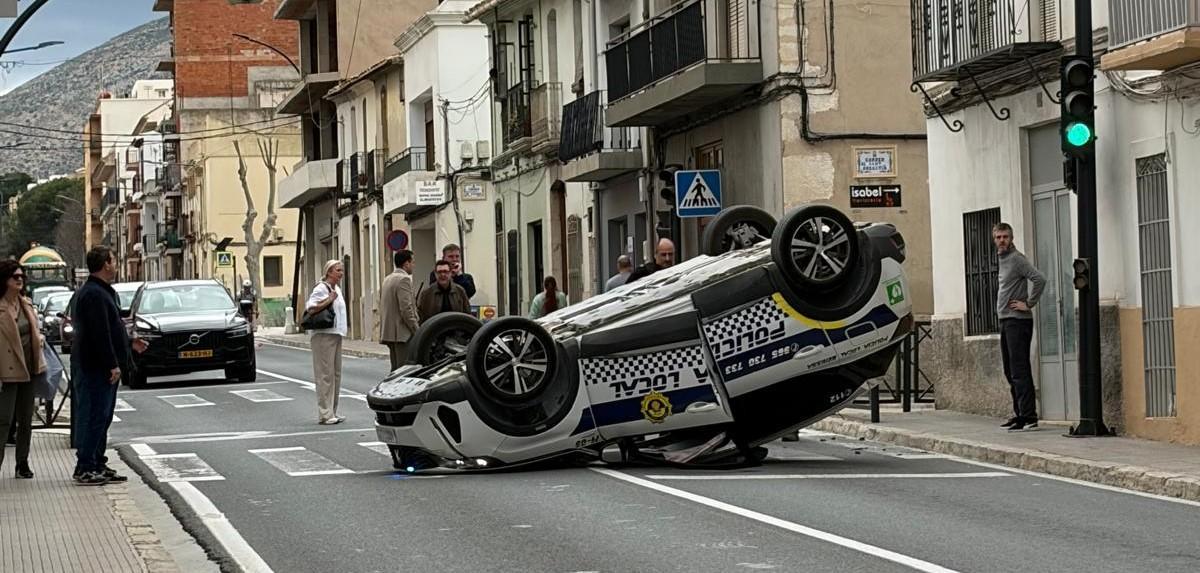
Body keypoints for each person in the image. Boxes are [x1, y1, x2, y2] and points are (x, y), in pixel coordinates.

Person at [72, 246, 148, 485]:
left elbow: (110, 328)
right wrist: (112, 365)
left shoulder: (101, 292)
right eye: (113, 261)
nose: (115, 265)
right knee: (96, 415)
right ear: (106, 264)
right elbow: (99, 333)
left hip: (100, 366)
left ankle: (97, 462)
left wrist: (128, 342)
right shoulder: (94, 294)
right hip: (96, 368)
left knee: (102, 417)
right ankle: (85, 466)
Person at [993, 222, 1046, 432]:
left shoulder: (1016, 259)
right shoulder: (1001, 259)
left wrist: (1029, 303)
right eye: (998, 237)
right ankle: (1019, 413)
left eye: (1005, 237)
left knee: (1019, 369)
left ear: (1011, 238)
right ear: (994, 239)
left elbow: (1039, 279)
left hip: (1018, 320)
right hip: (1006, 319)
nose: (1002, 240)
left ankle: (1029, 416)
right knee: (1009, 369)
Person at [0, 260, 45, 479]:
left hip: (29, 367)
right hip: (6, 371)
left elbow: (34, 332)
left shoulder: (26, 304)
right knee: (4, 419)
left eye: (22, 277)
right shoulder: (0, 307)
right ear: (4, 281)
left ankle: (22, 462)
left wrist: (40, 340)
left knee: (26, 419)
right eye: (15, 277)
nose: (19, 280)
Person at [306, 260, 348, 425]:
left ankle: (333, 411)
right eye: (338, 270)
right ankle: (325, 413)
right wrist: (328, 300)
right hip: (323, 335)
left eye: (341, 270)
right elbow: (311, 308)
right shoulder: (321, 288)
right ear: (329, 272)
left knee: (335, 374)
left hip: (336, 334)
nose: (341, 273)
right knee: (325, 375)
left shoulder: (336, 289)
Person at [379, 250, 420, 370]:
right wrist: (416, 330)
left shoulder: (387, 279)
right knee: (404, 370)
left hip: (390, 333)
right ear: (406, 263)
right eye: (412, 262)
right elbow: (406, 309)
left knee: (395, 369)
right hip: (403, 333)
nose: (414, 265)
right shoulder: (404, 280)